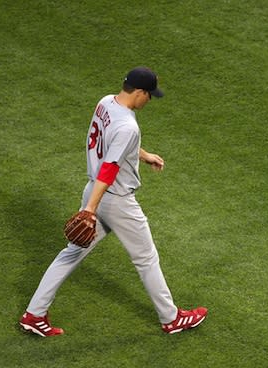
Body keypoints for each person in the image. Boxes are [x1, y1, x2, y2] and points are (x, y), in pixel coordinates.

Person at [19, 67, 207, 336]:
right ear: (140, 93)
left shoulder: (106, 102)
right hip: (115, 200)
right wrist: (90, 210)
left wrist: (143, 155)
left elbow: (114, 143)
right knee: (146, 258)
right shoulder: (129, 126)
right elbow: (110, 167)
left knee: (71, 253)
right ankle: (171, 318)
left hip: (92, 190)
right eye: (149, 96)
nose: (149, 101)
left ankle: (33, 314)